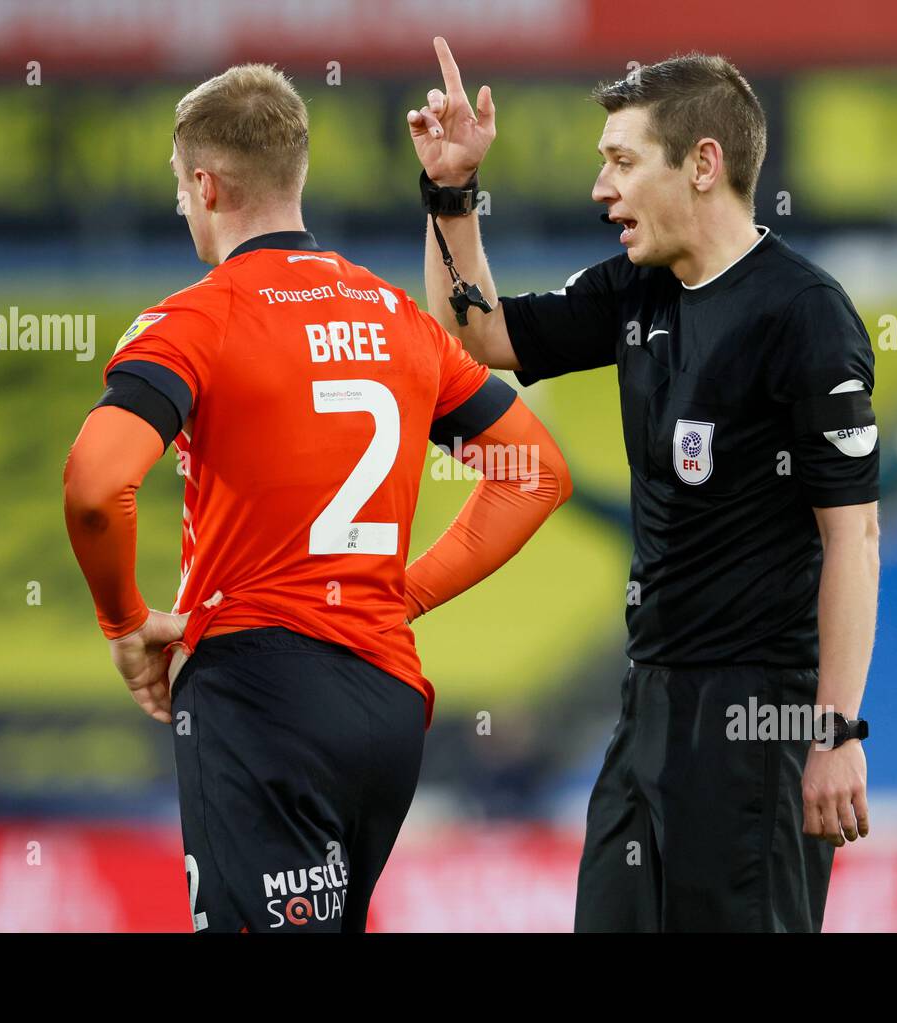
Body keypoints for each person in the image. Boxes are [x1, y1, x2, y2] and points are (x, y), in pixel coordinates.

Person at [63, 63, 572, 933]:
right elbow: (536, 472)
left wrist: (123, 623)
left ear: (204, 184)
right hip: (384, 704)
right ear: (296, 173)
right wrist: (400, 592)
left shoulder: (196, 319)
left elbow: (93, 484)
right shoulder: (396, 317)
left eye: (182, 193)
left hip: (261, 692)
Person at [408, 39, 878, 932]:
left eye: (621, 162)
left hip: (758, 716)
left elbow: (851, 538)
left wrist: (835, 732)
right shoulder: (637, 289)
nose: (601, 189)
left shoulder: (804, 315)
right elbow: (481, 336)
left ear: (703, 165)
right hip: (647, 704)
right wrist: (452, 193)